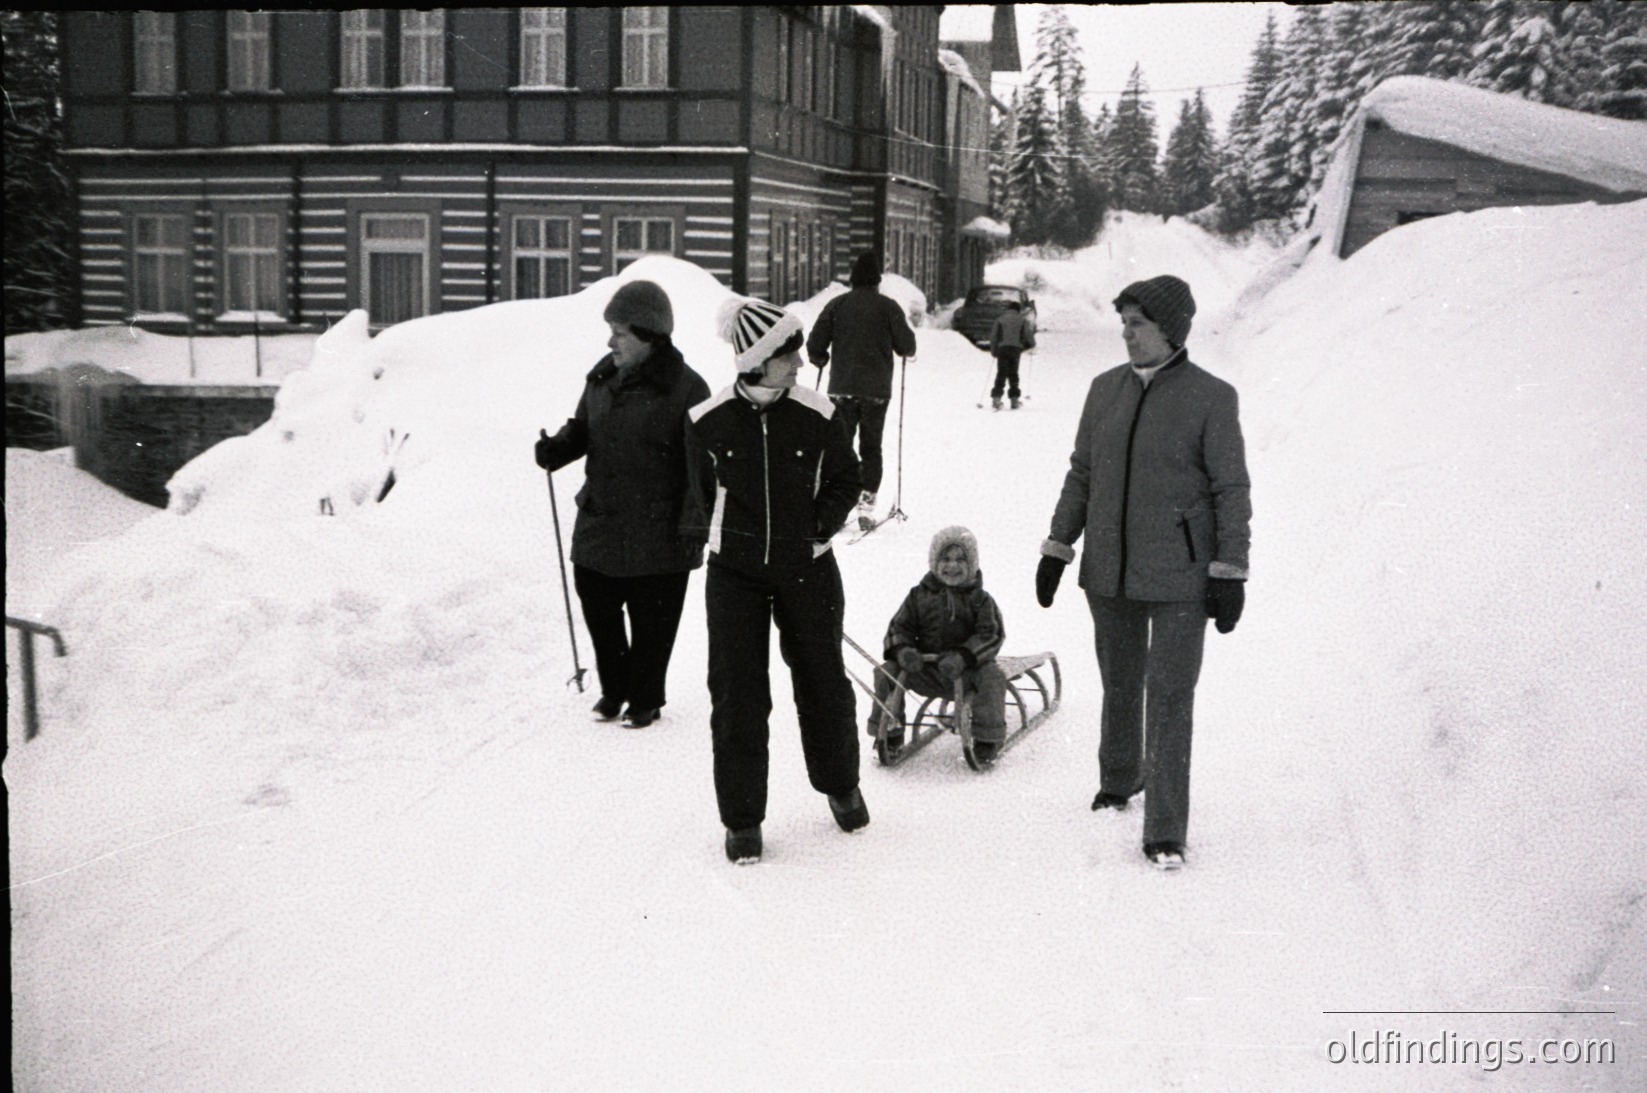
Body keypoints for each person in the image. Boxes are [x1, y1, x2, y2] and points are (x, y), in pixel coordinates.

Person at [1035, 275, 1251, 871]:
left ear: (1171, 329)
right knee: (1121, 684)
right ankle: (1119, 779)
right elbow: (1082, 472)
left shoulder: (1212, 397)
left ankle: (1165, 827)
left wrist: (1230, 569)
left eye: (1138, 323)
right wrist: (1058, 544)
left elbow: (1231, 488)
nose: (1126, 335)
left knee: (1171, 698)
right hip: (1109, 571)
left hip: (1181, 577)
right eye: (1123, 323)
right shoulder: (1104, 390)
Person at [687, 297, 869, 864]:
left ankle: (841, 786)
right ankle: (742, 820)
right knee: (737, 694)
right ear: (756, 361)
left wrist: (816, 526)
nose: (799, 363)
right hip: (734, 576)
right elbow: (695, 495)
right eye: (788, 354)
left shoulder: (817, 413)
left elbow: (847, 478)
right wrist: (717, 538)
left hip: (807, 568)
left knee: (822, 682)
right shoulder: (707, 420)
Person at [534, 280, 710, 729]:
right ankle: (615, 689)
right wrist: (558, 448)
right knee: (598, 605)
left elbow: (700, 468)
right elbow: (582, 427)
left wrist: (695, 526)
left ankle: (646, 698)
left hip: (658, 529)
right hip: (601, 519)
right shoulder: (601, 379)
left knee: (652, 619)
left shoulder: (687, 390)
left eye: (620, 333)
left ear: (650, 337)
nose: (611, 341)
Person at [868, 526, 1008, 762]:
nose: (952, 566)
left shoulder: (980, 600)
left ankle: (987, 738)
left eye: (960, 560)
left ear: (972, 563)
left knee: (993, 676)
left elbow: (991, 634)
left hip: (967, 674)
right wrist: (904, 653)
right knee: (886, 673)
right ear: (934, 562)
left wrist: (963, 656)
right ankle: (890, 730)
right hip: (926, 670)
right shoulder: (918, 596)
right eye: (945, 559)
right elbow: (898, 628)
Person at [804, 251, 918, 521]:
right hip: (876, 392)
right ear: (877, 282)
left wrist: (820, 358)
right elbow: (907, 346)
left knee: (841, 446)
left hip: (841, 388)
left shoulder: (837, 304)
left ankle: (838, 503)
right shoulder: (888, 307)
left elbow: (815, 343)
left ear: (853, 281)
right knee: (871, 447)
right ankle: (866, 505)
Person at [988, 299, 1035, 410]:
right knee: (1013, 373)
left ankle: (996, 398)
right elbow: (1028, 335)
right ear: (1018, 310)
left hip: (1002, 349)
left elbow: (993, 336)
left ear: (1008, 309)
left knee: (1001, 373)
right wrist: (1032, 344)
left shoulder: (1000, 319)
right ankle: (1014, 399)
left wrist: (994, 350)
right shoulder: (1022, 320)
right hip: (1015, 349)